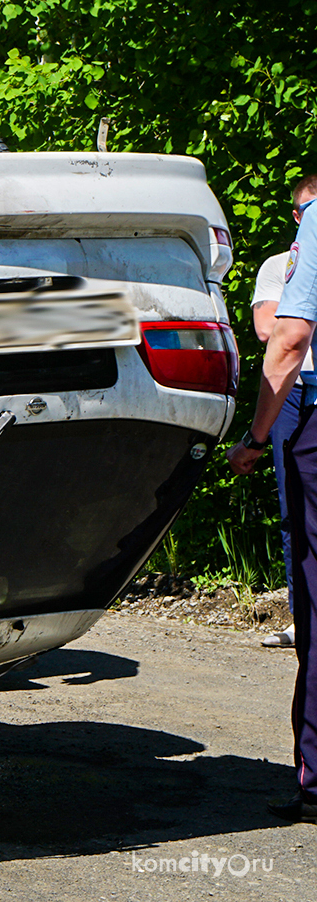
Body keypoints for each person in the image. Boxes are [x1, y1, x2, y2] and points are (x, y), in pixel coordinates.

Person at [229, 176, 317, 825]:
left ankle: (315, 779)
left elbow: (284, 338)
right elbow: (266, 323)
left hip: (302, 408)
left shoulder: (315, 226)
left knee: (313, 589)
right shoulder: (276, 262)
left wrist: (255, 437)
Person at [251, 177, 317, 648]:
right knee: (294, 506)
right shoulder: (280, 265)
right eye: (306, 209)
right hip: (292, 390)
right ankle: (301, 615)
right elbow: (267, 328)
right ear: (297, 217)